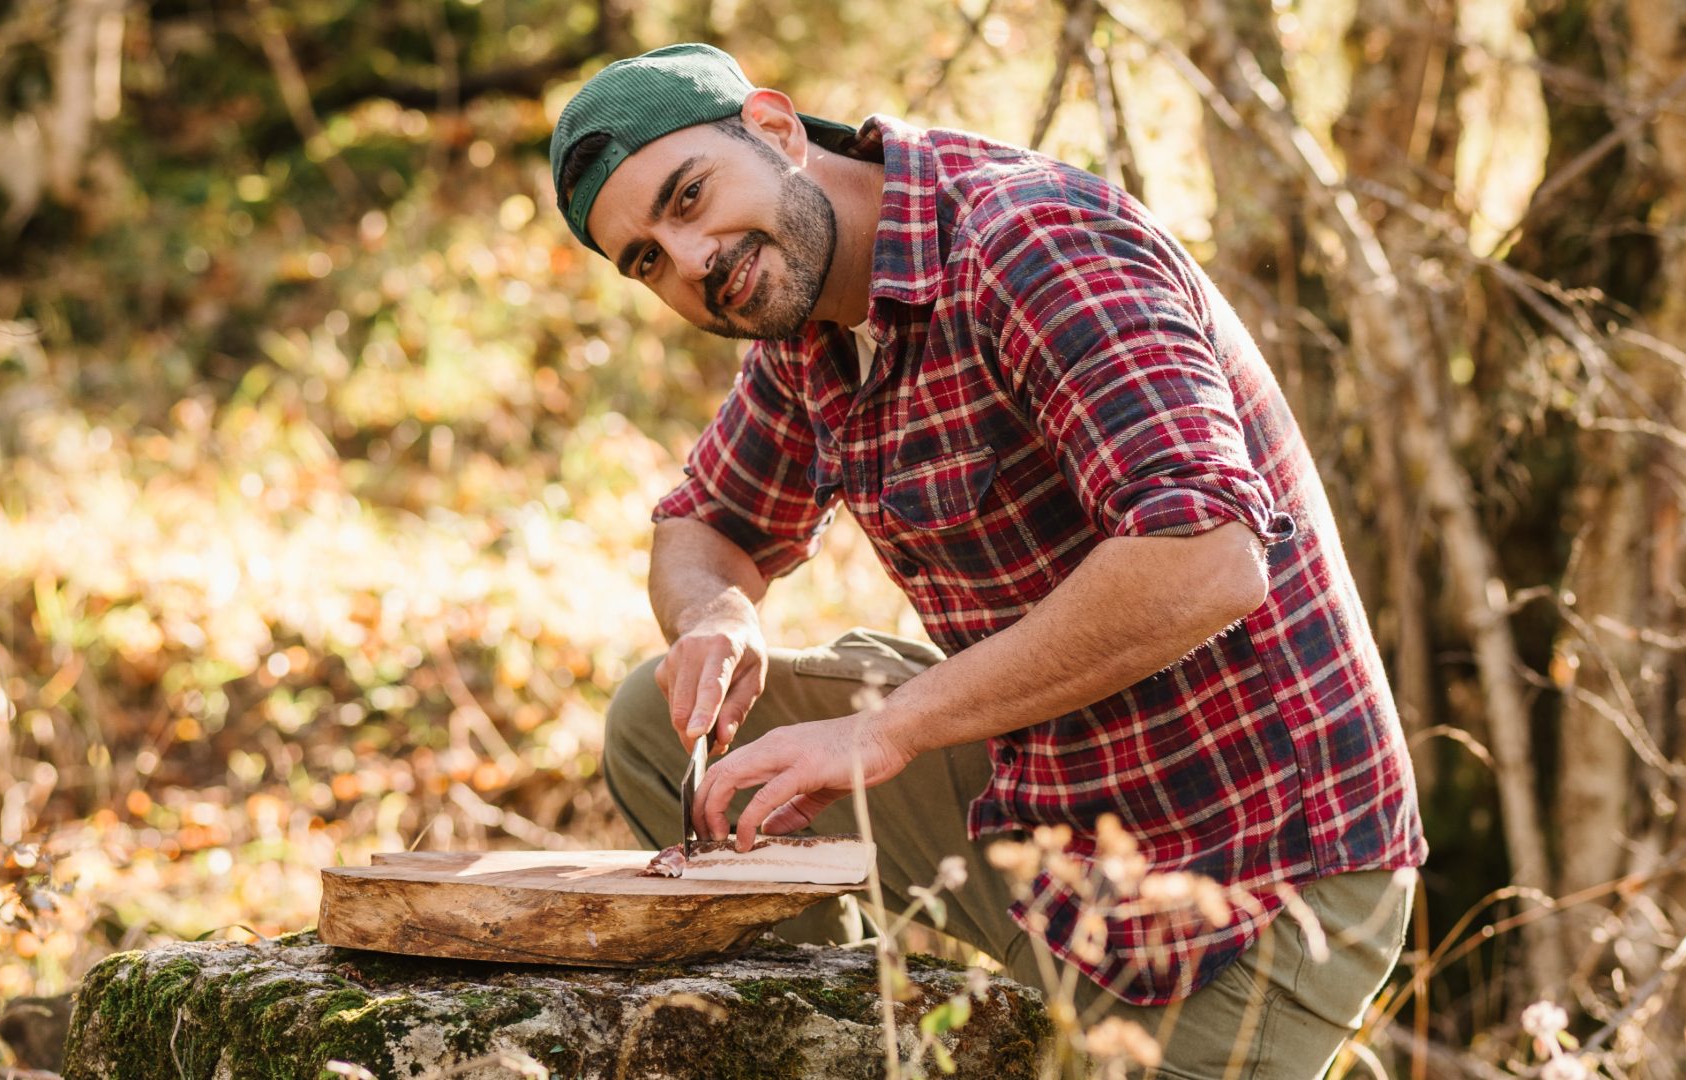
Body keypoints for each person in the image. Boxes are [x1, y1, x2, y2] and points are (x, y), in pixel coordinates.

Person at [549, 43, 1426, 1078]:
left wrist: (888, 731)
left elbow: (1207, 556)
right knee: (657, 725)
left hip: (1246, 867)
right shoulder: (802, 302)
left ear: (777, 130)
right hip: (1046, 793)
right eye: (647, 258)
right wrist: (715, 617)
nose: (691, 259)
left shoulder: (1030, 242)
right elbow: (708, 525)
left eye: (688, 197)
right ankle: (825, 1045)